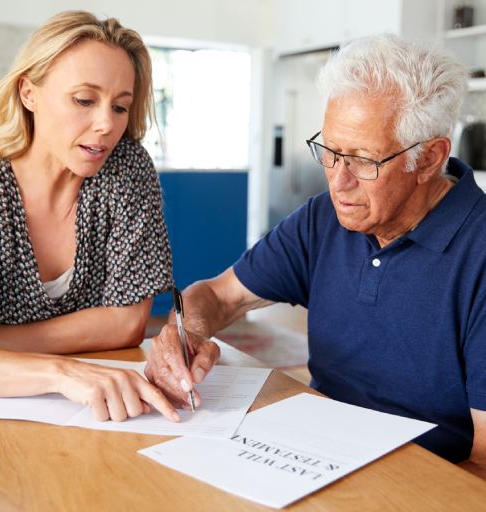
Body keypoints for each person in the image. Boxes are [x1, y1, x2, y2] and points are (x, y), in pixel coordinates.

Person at [146, 33, 486, 476]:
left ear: (427, 159)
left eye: (363, 160)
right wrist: (186, 332)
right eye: (329, 151)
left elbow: (481, 466)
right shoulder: (323, 219)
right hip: (310, 456)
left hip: (417, 482)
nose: (337, 182)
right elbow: (220, 295)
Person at [0, 11, 179, 423]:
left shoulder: (125, 169)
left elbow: (126, 325)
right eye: (84, 100)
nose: (106, 124)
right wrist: (63, 372)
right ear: (29, 94)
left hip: (103, 417)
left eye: (120, 106)